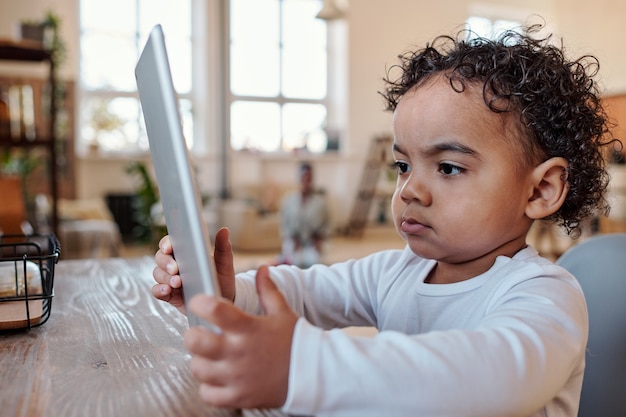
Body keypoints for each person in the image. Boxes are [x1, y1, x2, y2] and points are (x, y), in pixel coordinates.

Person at [151, 23, 619, 417]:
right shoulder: (395, 271)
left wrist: (303, 365)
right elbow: (304, 292)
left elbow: (491, 379)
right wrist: (232, 292)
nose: (409, 189)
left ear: (540, 190)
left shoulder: (547, 296)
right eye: (403, 166)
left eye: (449, 167)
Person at [278, 162, 330, 268]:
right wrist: (292, 238)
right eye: (303, 177)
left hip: (312, 243)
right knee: (295, 262)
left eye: (309, 178)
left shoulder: (321, 202)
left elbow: (327, 224)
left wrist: (319, 240)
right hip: (294, 242)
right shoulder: (288, 200)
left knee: (314, 262)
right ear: (299, 178)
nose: (306, 181)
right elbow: (284, 224)